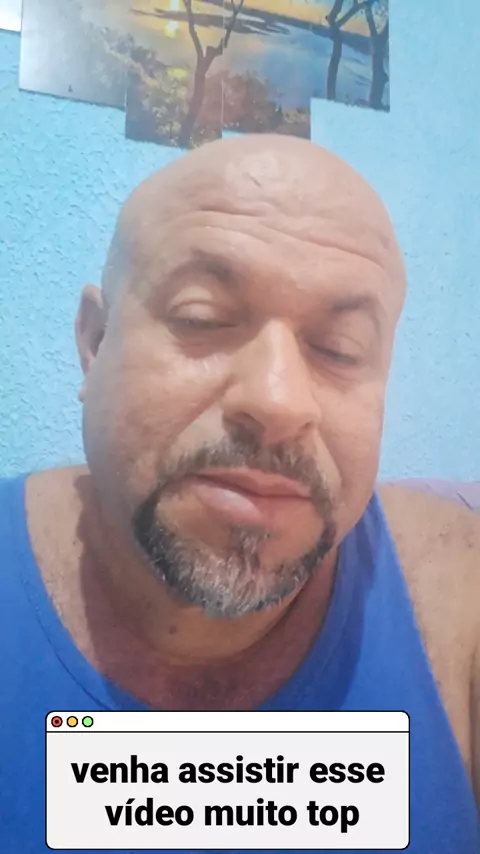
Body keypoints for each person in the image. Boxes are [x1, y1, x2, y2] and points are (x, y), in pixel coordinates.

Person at [0, 134, 478, 853]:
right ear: (94, 345)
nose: (278, 401)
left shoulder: (459, 601)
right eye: (201, 318)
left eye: (340, 349)